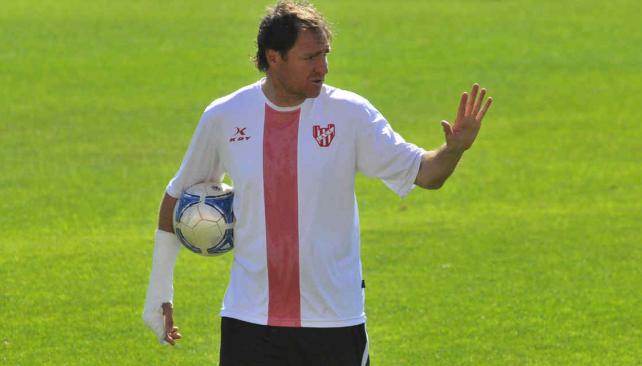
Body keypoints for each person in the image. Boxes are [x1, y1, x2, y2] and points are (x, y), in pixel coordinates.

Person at [143, 1, 492, 365]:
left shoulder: (350, 114)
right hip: (249, 318)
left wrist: (454, 151)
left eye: (324, 54)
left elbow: (425, 173)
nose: (323, 68)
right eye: (309, 57)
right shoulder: (225, 117)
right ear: (273, 57)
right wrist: (159, 295)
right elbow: (176, 197)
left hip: (334, 320)